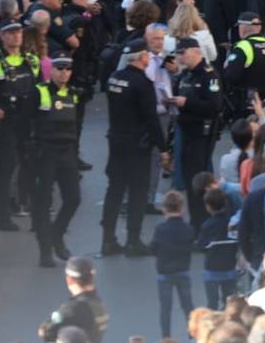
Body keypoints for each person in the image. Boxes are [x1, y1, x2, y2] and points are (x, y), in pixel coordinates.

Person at [100, 37, 169, 257]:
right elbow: (151, 119)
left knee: (115, 190)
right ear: (140, 57)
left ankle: (108, 239)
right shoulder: (143, 84)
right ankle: (133, 240)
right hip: (137, 145)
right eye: (147, 54)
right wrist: (163, 148)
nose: (149, 57)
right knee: (138, 191)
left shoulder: (115, 79)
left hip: (116, 141)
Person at [30, 54, 81, 267]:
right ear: (51, 70)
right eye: (59, 69)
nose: (64, 73)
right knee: (42, 202)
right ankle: (45, 249)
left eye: (67, 69)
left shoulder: (73, 94)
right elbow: (28, 122)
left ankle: (56, 234)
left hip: (67, 152)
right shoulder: (40, 91)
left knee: (73, 198)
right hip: (45, 153)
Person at [170, 36, 222, 228]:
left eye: (183, 53)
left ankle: (202, 223)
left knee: (198, 181)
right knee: (189, 179)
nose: (180, 57)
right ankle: (195, 222)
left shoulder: (209, 75)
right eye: (178, 54)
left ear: (196, 51)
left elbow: (214, 105)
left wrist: (187, 103)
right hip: (185, 131)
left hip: (202, 133)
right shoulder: (185, 76)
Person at [0, 18, 39, 230]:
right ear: (2, 36)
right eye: (10, 33)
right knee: (5, 168)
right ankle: (1, 217)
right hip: (7, 123)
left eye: (18, 32)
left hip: (28, 120)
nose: (15, 36)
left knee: (31, 165)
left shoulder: (31, 60)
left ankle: (27, 205)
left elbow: (40, 89)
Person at [149, 190, 194, 339]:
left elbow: (153, 249)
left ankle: (166, 337)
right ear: (182, 208)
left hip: (164, 273)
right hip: (183, 271)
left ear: (164, 209)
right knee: (187, 305)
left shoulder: (160, 229)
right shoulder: (187, 228)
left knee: (165, 309)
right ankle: (192, 334)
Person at [37, 256, 108, 343]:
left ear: (69, 280)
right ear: (92, 278)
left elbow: (45, 332)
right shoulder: (99, 304)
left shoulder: (72, 309)